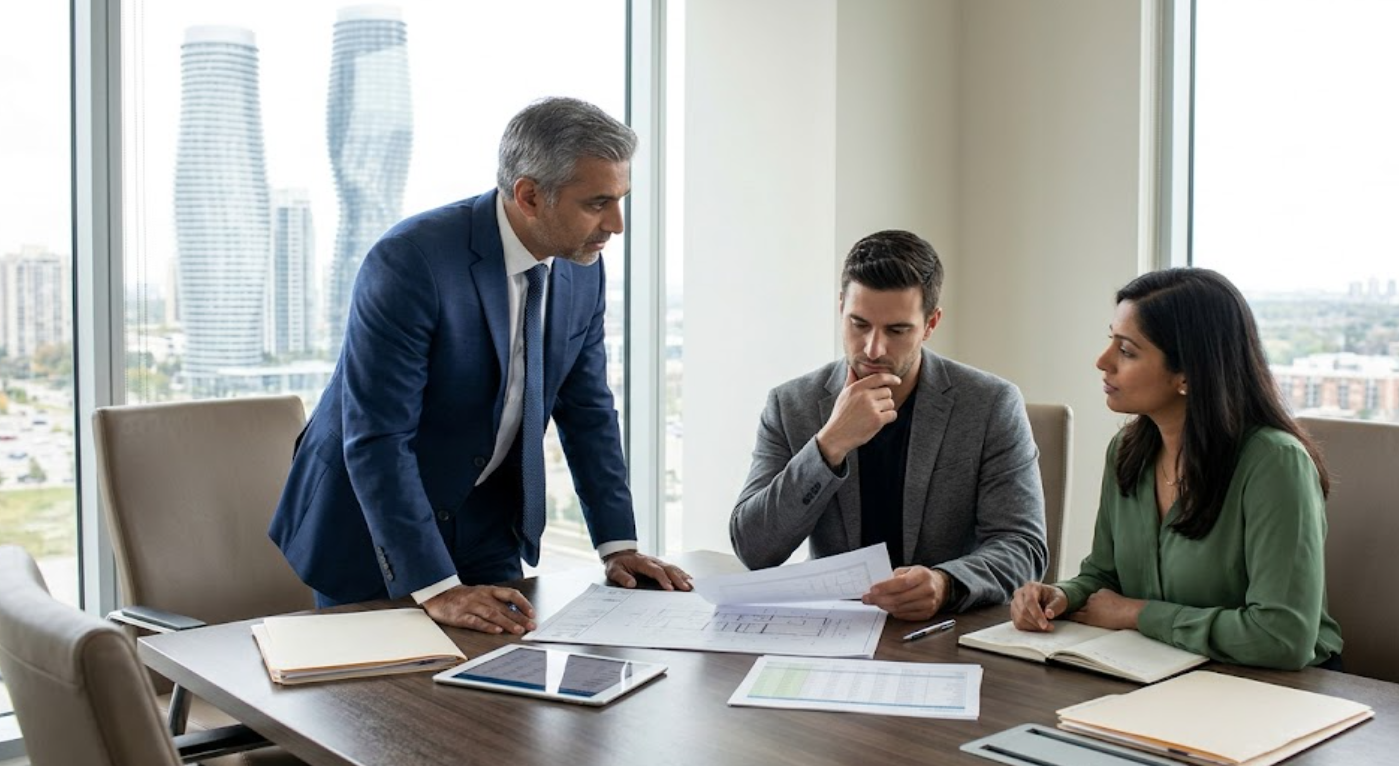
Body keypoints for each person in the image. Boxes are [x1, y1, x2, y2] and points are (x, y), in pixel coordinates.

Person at [269, 97, 690, 635]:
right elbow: (378, 437)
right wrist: (437, 587)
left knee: (506, 677)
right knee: (382, 687)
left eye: (620, 200)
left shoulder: (582, 267)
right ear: (529, 196)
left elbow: (588, 412)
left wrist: (618, 545)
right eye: (597, 203)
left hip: (485, 518)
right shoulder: (412, 261)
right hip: (371, 526)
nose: (616, 224)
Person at [1010, 268, 1343, 670]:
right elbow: (1104, 576)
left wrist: (1137, 614)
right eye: (1110, 340)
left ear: (1187, 374)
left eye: (1127, 351)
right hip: (1159, 670)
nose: (1102, 361)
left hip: (1277, 688)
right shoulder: (1126, 451)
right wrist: (1062, 596)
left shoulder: (1276, 464)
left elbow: (1281, 637)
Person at [730, 230, 1048, 621]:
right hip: (836, 627)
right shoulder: (791, 404)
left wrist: (946, 583)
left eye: (897, 330)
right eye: (859, 324)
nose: (873, 349)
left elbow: (1023, 548)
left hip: (943, 629)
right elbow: (754, 549)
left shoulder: (991, 405)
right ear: (841, 306)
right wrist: (829, 445)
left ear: (930, 323)